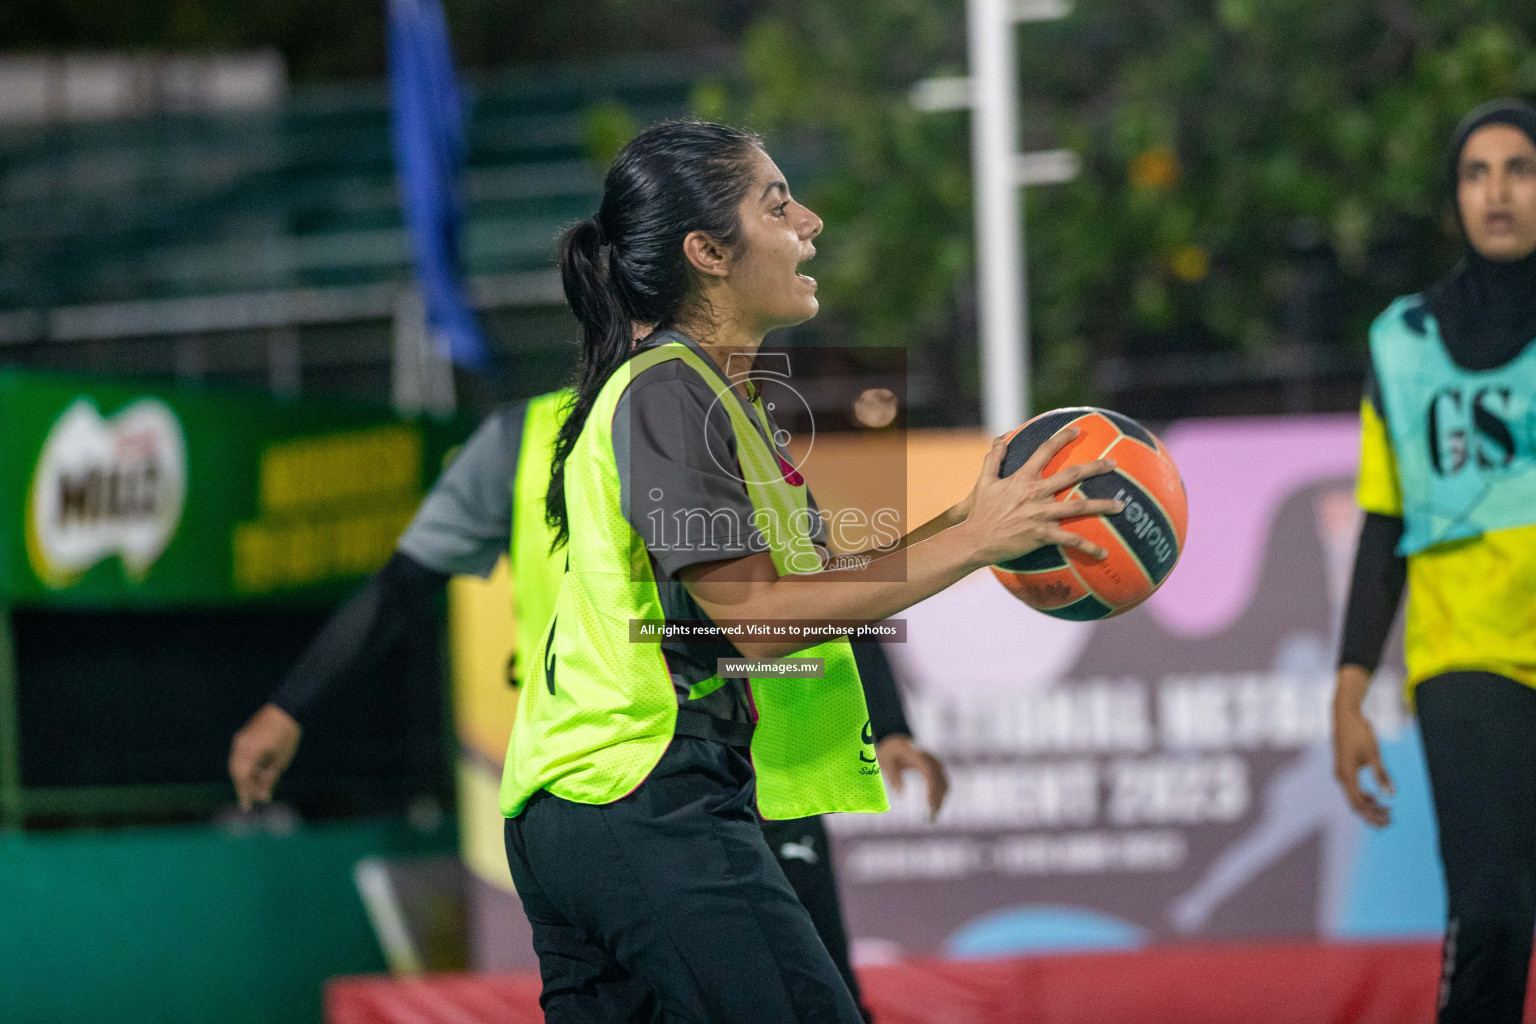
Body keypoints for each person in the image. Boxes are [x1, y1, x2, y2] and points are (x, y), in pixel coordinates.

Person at [502, 118, 1122, 1023]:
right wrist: (975, 541)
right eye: (777, 201)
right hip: (641, 793)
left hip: (583, 803)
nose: (812, 220)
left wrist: (975, 517)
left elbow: (818, 587)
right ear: (708, 251)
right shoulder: (668, 389)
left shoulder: (709, 395)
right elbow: (758, 617)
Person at [228, 397, 948, 1016]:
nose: (804, 228)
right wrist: (289, 705)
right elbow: (403, 586)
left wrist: (887, 722)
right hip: (623, 779)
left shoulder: (722, 413)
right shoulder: (523, 440)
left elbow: (812, 577)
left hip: (732, 766)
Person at [1332, 98, 1536, 1024]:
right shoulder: (1402, 342)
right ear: (1456, 198)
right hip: (1469, 654)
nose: (1498, 192)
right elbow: (1383, 525)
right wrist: (1349, 690)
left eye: (1520, 169)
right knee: (1494, 915)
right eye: (1476, 173)